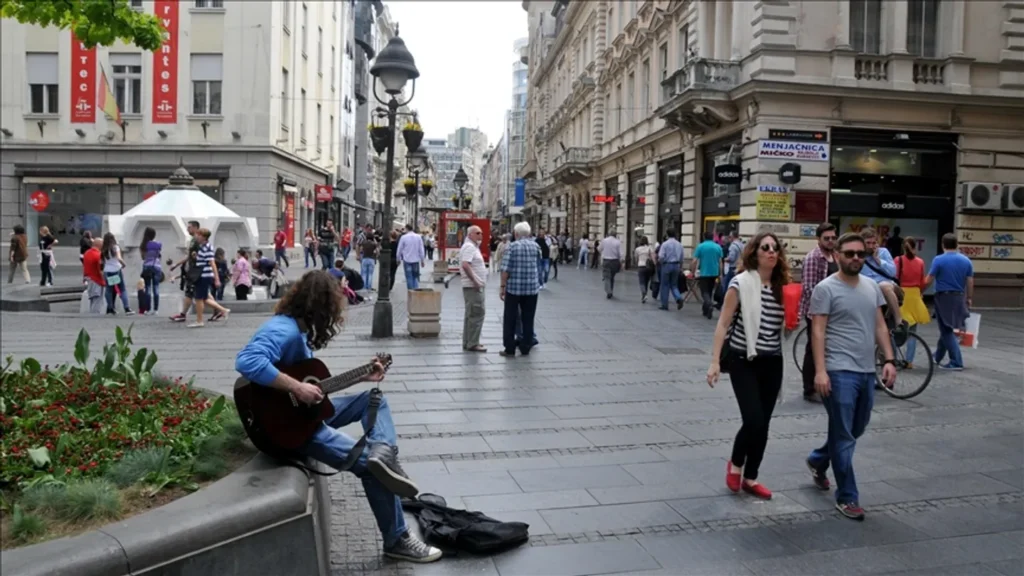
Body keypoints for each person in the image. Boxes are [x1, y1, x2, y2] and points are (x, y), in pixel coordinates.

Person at [234, 271, 442, 563]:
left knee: (374, 400)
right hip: (286, 429)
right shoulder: (284, 331)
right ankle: (397, 539)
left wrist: (361, 377)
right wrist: (296, 387)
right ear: (322, 306)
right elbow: (246, 361)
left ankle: (384, 454)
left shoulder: (298, 330)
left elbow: (314, 391)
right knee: (371, 469)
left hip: (299, 415)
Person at [806, 232, 897, 521]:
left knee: (856, 428)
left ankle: (818, 459)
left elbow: (880, 325)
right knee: (844, 435)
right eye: (850, 253)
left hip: (866, 369)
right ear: (838, 254)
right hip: (838, 369)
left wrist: (890, 359)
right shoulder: (825, 289)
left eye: (861, 254)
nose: (856, 258)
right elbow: (817, 331)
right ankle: (847, 497)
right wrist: (820, 371)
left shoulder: (872, 287)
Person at [707, 232, 791, 500]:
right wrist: (714, 362)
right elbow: (723, 323)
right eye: (765, 247)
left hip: (772, 361)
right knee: (753, 418)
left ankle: (751, 477)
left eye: (775, 248)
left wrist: (791, 323)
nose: (771, 252)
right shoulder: (740, 283)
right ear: (754, 252)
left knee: (763, 423)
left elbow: (782, 330)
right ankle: (735, 464)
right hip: (744, 359)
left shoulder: (784, 287)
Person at [798, 223, 839, 402]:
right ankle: (809, 389)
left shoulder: (835, 256)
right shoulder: (813, 258)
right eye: (827, 238)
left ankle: (825, 383)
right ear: (819, 239)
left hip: (834, 311)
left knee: (828, 347)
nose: (831, 241)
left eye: (833, 238)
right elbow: (808, 288)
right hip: (815, 311)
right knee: (813, 348)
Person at [923, 233, 973, 371]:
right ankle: (937, 357)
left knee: (946, 329)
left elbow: (929, 278)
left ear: (943, 245)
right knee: (948, 328)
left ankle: (956, 361)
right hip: (959, 296)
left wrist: (920, 291)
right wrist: (969, 298)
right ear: (957, 245)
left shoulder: (938, 260)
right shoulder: (966, 260)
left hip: (943, 297)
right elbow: (970, 281)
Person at [500, 222, 541, 358]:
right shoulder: (536, 246)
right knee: (528, 318)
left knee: (510, 318)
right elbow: (538, 264)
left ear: (516, 234)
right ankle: (525, 347)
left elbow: (505, 269)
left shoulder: (512, 247)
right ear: (528, 233)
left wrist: (502, 286)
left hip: (514, 289)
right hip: (531, 289)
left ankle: (509, 348)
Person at [859, 227, 907, 338]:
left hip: (890, 288)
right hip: (871, 295)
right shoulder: (859, 256)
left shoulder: (883, 252)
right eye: (868, 243)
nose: (871, 246)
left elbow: (892, 272)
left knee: (883, 286)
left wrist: (878, 260)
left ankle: (899, 321)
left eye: (873, 243)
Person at [894, 237, 930, 367]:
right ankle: (909, 361)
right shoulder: (920, 262)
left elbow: (894, 277)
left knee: (895, 328)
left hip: (902, 294)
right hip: (915, 295)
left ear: (903, 247)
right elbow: (922, 281)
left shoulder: (898, 260)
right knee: (913, 331)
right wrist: (920, 293)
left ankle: (894, 358)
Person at [189, 228, 230, 327]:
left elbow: (212, 263)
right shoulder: (202, 247)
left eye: (199, 235)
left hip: (204, 275)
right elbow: (204, 260)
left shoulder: (207, 247)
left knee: (199, 298)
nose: (197, 237)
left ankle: (200, 320)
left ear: (203, 237)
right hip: (203, 275)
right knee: (204, 298)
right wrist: (196, 257)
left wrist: (216, 279)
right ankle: (223, 310)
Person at [459, 225, 487, 353]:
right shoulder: (470, 247)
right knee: (477, 312)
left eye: (481, 233)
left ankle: (468, 341)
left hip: (473, 286)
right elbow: (466, 264)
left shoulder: (472, 246)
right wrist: (475, 281)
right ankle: (473, 343)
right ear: (470, 235)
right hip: (473, 286)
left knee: (471, 313)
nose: (480, 235)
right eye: (477, 233)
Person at [169, 220, 202, 323]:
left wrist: (176, 264)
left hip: (195, 271)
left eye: (190, 227)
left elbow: (190, 256)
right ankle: (218, 310)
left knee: (189, 293)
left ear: (196, 228)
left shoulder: (196, 240)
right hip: (195, 270)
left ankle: (183, 315)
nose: (188, 229)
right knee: (203, 294)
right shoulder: (195, 240)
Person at [692, 232, 725, 319]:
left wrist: (693, 271)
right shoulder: (718, 247)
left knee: (704, 292)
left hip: (704, 272)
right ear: (712, 238)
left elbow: (694, 261)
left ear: (704, 237)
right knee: (710, 290)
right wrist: (721, 273)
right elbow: (720, 262)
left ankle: (709, 305)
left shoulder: (701, 246)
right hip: (714, 273)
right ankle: (705, 310)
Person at [101, 233, 133, 315]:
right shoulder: (115, 247)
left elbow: (102, 261)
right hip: (116, 270)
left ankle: (110, 308)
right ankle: (127, 308)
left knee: (109, 290)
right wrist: (123, 264)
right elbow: (119, 258)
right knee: (122, 289)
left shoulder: (104, 249)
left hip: (107, 271)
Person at [657, 228, 684, 310]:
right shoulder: (679, 244)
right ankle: (678, 297)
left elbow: (661, 256)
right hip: (676, 265)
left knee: (665, 285)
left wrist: (661, 262)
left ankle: (664, 304)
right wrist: (680, 267)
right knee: (674, 284)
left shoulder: (665, 244)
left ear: (667, 234)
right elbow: (682, 257)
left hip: (667, 265)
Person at [395, 224, 425, 290]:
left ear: (406, 229)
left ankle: (410, 292)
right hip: (416, 260)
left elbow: (399, 249)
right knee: (415, 277)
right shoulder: (418, 237)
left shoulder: (403, 237)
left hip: (407, 260)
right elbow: (421, 249)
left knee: (409, 277)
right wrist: (422, 260)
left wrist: (398, 259)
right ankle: (416, 292)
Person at [140, 227, 162, 315]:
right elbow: (159, 255)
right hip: (156, 266)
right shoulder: (158, 244)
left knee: (148, 288)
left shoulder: (143, 245)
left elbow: (143, 257)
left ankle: (148, 309)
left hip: (147, 267)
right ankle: (156, 309)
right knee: (156, 288)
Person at [81, 238, 105, 314]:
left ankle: (92, 314)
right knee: (97, 301)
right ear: (100, 245)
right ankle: (94, 317)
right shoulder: (98, 255)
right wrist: (104, 281)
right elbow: (100, 270)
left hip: (89, 279)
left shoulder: (87, 253)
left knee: (92, 299)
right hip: (97, 280)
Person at [599, 229, 624, 299]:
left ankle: (608, 291)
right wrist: (622, 262)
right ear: (615, 235)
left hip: (606, 261)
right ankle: (611, 291)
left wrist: (603, 253)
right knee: (612, 277)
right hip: (615, 262)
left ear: (609, 234)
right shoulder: (618, 242)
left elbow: (599, 249)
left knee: (607, 277)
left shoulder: (604, 241)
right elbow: (621, 253)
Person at [635, 236, 656, 303]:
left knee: (641, 282)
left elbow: (636, 258)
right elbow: (653, 258)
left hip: (641, 266)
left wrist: (637, 263)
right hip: (648, 267)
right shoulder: (649, 248)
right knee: (646, 282)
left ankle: (643, 293)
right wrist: (655, 265)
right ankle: (644, 296)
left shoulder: (637, 249)